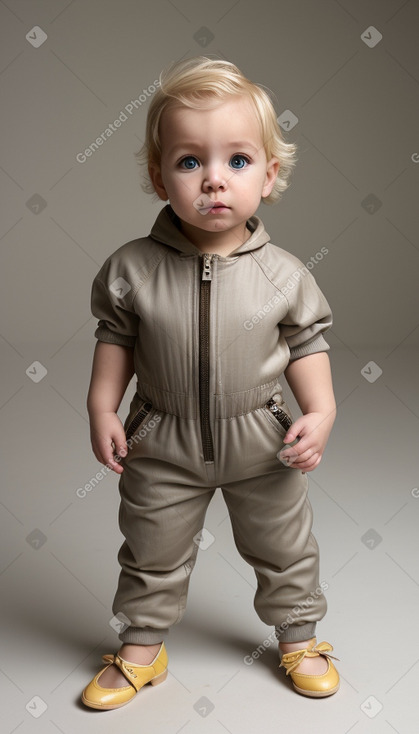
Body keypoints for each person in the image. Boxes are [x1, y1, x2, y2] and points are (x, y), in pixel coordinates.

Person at [81, 56, 339, 710]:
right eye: (190, 162)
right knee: (150, 547)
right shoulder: (131, 269)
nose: (214, 181)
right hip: (160, 436)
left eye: (237, 161)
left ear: (270, 174)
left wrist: (322, 410)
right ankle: (142, 645)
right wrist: (102, 406)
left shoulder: (283, 274)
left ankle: (298, 637)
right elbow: (117, 338)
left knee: (282, 545)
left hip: (260, 438)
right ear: (157, 175)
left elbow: (306, 342)